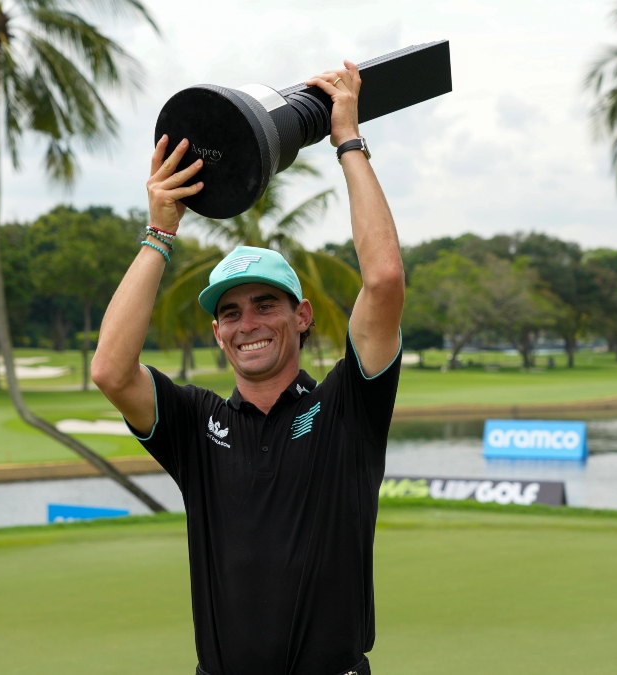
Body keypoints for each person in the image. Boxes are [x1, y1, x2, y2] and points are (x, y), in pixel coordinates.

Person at [92, 60, 405, 675]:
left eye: (266, 305)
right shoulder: (195, 425)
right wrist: (161, 229)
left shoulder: (347, 408)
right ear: (217, 332)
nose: (249, 324)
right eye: (231, 313)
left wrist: (348, 140)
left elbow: (385, 279)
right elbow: (110, 369)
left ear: (303, 315)